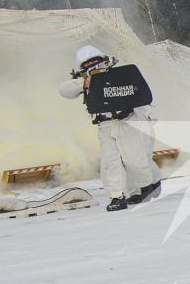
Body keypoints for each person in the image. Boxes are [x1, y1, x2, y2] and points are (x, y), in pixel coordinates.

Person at [58, 45, 160, 211]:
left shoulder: (119, 73)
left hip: (128, 119)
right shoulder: (85, 81)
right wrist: (84, 83)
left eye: (95, 62)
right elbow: (64, 90)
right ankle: (117, 197)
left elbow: (139, 91)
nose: (93, 67)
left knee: (134, 160)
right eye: (88, 65)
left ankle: (150, 183)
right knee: (110, 162)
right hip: (105, 124)